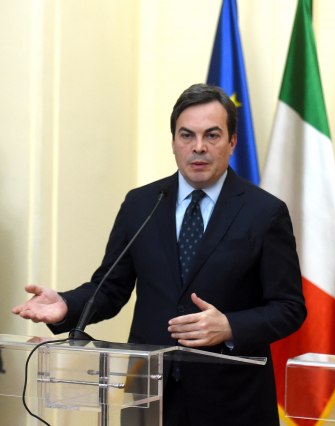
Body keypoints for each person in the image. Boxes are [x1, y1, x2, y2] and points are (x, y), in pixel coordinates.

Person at [12, 83, 307, 425]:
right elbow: (110, 288)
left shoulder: (264, 212)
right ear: (173, 142)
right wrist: (66, 305)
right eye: (187, 135)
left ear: (232, 142)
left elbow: (289, 307)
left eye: (212, 135)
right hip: (148, 398)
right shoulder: (141, 204)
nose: (198, 147)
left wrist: (229, 326)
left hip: (232, 402)